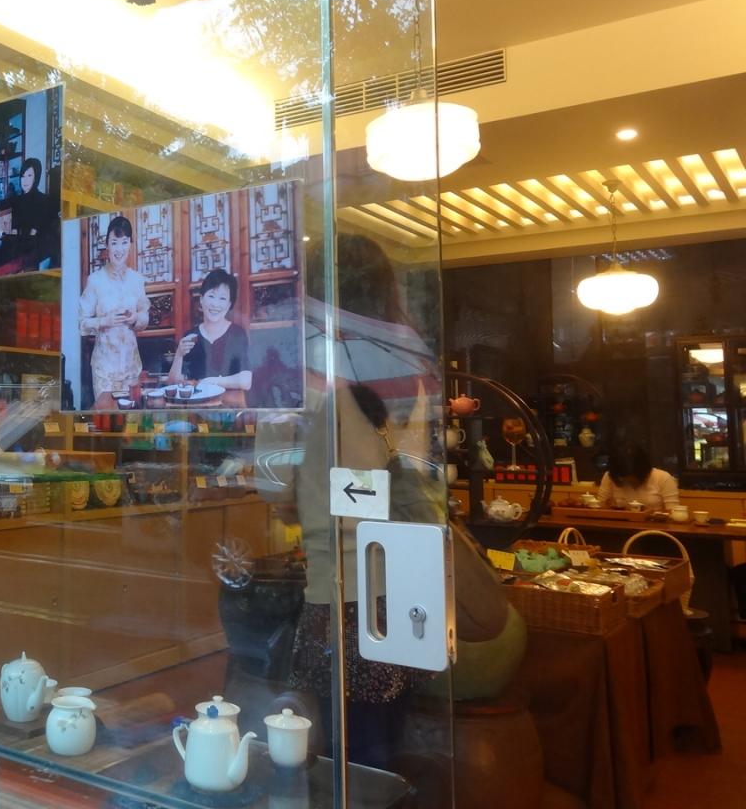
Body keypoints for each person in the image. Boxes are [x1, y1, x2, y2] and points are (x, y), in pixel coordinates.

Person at [255, 232, 517, 769]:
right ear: (384, 289)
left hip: (338, 587)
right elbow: (422, 473)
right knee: (385, 740)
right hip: (404, 583)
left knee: (338, 751)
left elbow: (272, 483)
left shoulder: (299, 362)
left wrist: (303, 492)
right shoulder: (411, 360)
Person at [78, 215, 149, 401]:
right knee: (107, 417)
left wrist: (135, 318)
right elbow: (82, 324)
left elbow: (145, 317)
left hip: (131, 370)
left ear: (130, 244)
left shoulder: (137, 280)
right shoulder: (95, 281)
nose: (119, 249)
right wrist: (104, 321)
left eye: (124, 242)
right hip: (104, 371)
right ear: (107, 245)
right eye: (114, 243)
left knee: (131, 417)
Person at [167, 268, 252, 393]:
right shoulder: (191, 337)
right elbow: (173, 383)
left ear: (229, 304)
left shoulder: (237, 334)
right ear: (201, 299)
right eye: (211, 296)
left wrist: (212, 381)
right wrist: (179, 354)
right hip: (198, 402)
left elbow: (246, 381)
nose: (215, 304)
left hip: (228, 403)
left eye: (222, 298)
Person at [598, 442, 680, 510]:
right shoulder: (610, 476)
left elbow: (673, 512)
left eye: (632, 479)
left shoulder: (663, 478)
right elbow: (599, 506)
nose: (628, 482)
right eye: (624, 479)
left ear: (643, 471)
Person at [11, 157, 56, 245]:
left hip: (40, 244)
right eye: (23, 176)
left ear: (35, 178)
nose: (25, 180)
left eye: (29, 176)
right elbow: (14, 230)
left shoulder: (42, 200)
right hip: (24, 244)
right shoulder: (17, 201)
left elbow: (34, 232)